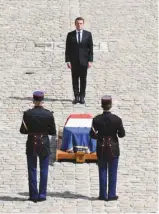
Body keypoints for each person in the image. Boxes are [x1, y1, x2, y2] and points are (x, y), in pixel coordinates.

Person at [20, 91, 56, 203]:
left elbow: (23, 130)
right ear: (43, 101)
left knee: (32, 169)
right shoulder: (49, 114)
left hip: (31, 142)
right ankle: (42, 194)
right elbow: (53, 132)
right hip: (44, 142)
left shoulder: (27, 114)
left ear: (33, 100)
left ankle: (33, 195)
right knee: (44, 169)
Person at [90, 95, 125, 201]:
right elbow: (122, 134)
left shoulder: (96, 119)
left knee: (102, 170)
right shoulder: (117, 120)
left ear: (102, 106)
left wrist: (98, 136)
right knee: (113, 171)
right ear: (111, 105)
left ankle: (102, 194)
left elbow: (92, 134)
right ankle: (111, 194)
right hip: (113, 148)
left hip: (101, 147)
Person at [65, 17, 93, 104]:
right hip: (74, 61)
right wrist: (68, 60)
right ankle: (76, 96)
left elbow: (91, 49)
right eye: (77, 23)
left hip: (84, 61)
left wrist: (90, 60)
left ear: (83, 24)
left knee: (83, 79)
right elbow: (67, 48)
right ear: (75, 24)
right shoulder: (70, 35)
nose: (79, 25)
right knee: (75, 79)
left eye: (81, 23)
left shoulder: (88, 35)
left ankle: (82, 97)